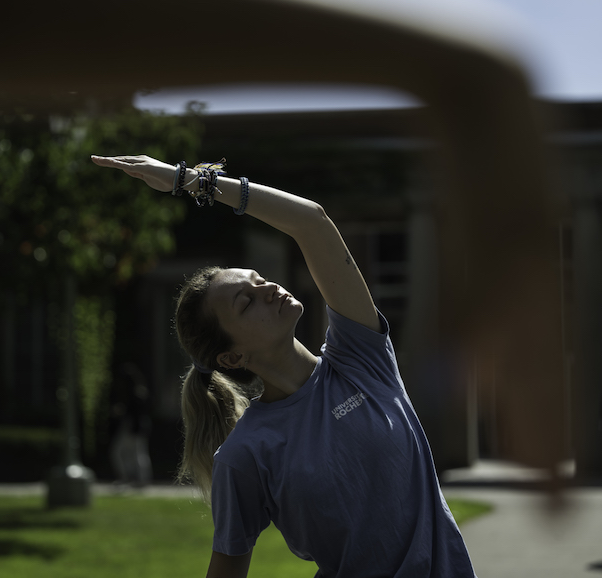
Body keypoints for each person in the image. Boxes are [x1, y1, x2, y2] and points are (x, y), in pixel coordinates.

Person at [92, 154, 476, 578]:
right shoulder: (245, 454)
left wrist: (190, 181)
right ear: (232, 357)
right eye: (246, 301)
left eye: (257, 279)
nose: (267, 289)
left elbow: (311, 222)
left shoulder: (359, 358)